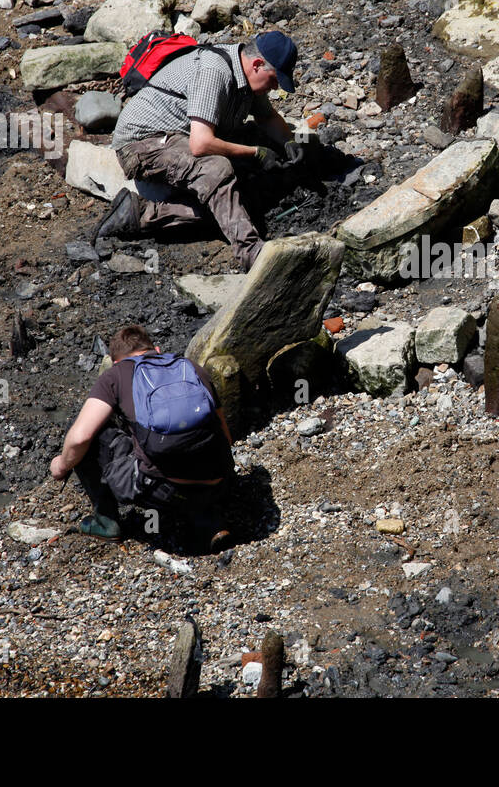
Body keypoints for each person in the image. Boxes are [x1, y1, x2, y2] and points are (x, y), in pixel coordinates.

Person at [96, 30, 306, 271]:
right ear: (258, 64)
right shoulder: (214, 71)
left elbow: (267, 117)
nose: (275, 87)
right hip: (145, 141)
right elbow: (201, 144)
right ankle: (252, 253)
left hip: (183, 136)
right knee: (217, 170)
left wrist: (289, 142)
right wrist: (255, 153)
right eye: (275, 79)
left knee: (237, 196)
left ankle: (139, 214)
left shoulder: (246, 76)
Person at [49, 324, 236, 550]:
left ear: (115, 361)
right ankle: (207, 519)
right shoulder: (191, 367)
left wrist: (61, 465)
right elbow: (226, 437)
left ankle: (106, 522)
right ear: (156, 349)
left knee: (90, 434)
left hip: (164, 492)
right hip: (218, 482)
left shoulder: (115, 375)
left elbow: (80, 438)